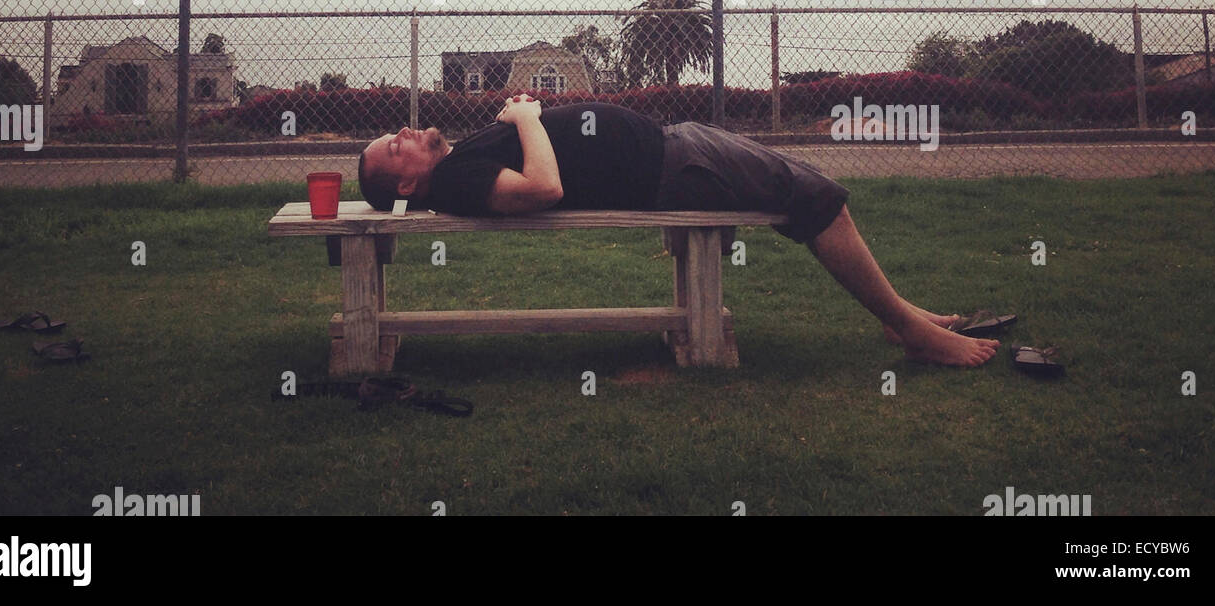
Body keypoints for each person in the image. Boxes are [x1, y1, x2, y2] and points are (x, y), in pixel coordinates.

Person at [357, 95, 1000, 368]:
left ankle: (902, 313)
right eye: (395, 146)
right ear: (407, 185)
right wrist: (526, 117)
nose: (405, 132)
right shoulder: (457, 183)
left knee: (808, 185)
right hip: (677, 168)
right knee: (819, 200)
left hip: (677, 151)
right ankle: (910, 332)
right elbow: (544, 188)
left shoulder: (456, 167)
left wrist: (517, 119)